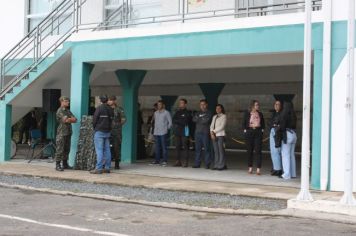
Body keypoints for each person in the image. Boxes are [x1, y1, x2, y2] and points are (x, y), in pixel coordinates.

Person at [91, 95, 114, 174]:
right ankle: (107, 167)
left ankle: (99, 168)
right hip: (107, 132)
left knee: (99, 150)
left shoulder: (99, 108)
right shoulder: (111, 109)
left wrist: (95, 128)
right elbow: (112, 120)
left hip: (99, 131)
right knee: (107, 150)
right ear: (107, 100)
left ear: (100, 100)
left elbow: (94, 119)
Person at [54, 96, 77, 171]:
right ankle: (57, 165)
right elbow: (66, 120)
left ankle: (65, 164)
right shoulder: (60, 111)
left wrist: (70, 119)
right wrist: (70, 119)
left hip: (68, 132)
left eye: (68, 101)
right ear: (62, 102)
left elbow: (75, 119)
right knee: (60, 149)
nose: (68, 102)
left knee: (67, 149)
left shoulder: (67, 111)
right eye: (66, 101)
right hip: (62, 133)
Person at [243, 100, 265, 175]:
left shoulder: (260, 114)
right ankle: (250, 167)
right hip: (249, 132)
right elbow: (244, 124)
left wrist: (261, 132)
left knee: (258, 151)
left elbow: (263, 125)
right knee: (249, 151)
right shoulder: (247, 113)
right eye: (256, 105)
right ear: (252, 106)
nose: (258, 106)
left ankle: (258, 169)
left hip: (258, 133)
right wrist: (246, 131)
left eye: (258, 105)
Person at [279, 102, 297, 180]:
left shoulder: (284, 114)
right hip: (293, 134)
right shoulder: (294, 115)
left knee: (285, 155)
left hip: (287, 135)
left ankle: (286, 174)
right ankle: (293, 173)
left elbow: (282, 126)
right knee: (291, 155)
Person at [192, 99, 212, 169]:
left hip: (205, 133)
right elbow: (194, 119)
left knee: (206, 149)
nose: (202, 106)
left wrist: (199, 118)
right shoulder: (197, 112)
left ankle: (207, 163)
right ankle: (197, 163)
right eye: (201, 105)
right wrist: (201, 118)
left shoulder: (209, 113)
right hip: (197, 133)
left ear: (206, 105)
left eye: (203, 104)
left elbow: (206, 121)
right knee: (198, 149)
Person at [151, 100, 172, 166]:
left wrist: (166, 129)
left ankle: (164, 161)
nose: (159, 105)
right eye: (158, 104)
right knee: (157, 147)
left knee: (164, 147)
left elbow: (170, 122)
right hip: (156, 132)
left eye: (160, 104)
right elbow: (154, 122)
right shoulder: (155, 113)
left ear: (163, 105)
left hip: (163, 132)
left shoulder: (166, 112)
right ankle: (157, 161)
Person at [172, 98, 192, 167]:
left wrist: (179, 121)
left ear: (185, 104)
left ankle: (185, 162)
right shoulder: (177, 112)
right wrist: (180, 120)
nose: (180, 104)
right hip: (177, 132)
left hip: (184, 132)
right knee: (177, 147)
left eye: (182, 103)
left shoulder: (188, 112)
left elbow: (185, 122)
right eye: (179, 103)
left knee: (185, 147)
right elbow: (173, 120)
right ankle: (178, 161)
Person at [108, 96, 126, 169]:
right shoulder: (106, 109)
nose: (109, 101)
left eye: (111, 100)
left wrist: (117, 125)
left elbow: (123, 119)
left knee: (116, 147)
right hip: (107, 130)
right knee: (107, 147)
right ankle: (107, 164)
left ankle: (117, 163)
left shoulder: (119, 109)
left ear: (114, 101)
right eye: (109, 100)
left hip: (116, 132)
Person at [210, 104, 227, 171]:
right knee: (216, 151)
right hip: (213, 135)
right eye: (216, 108)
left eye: (219, 108)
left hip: (220, 135)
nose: (217, 109)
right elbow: (211, 125)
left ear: (221, 109)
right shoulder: (214, 116)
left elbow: (222, 126)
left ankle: (221, 165)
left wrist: (213, 131)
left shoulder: (224, 116)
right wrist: (211, 132)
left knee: (221, 151)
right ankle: (216, 165)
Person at [269, 100, 283, 176]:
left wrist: (275, 125)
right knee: (273, 152)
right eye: (275, 104)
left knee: (277, 151)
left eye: (278, 104)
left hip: (277, 133)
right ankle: (275, 167)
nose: (276, 105)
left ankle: (279, 169)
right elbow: (270, 123)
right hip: (273, 132)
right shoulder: (274, 113)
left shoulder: (281, 114)